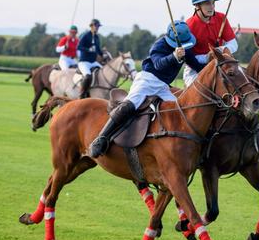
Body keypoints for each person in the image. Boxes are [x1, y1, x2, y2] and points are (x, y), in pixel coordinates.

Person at [88, 21, 206, 158]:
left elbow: (196, 66)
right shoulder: (159, 45)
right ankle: (101, 138)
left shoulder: (184, 47)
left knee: (181, 110)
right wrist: (174, 56)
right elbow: (158, 64)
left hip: (163, 86)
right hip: (147, 80)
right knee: (129, 105)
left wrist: (214, 65)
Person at [183, 0, 238, 87]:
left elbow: (234, 44)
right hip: (195, 69)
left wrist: (219, 51)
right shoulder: (189, 26)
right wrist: (207, 57)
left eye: (213, 3)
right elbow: (188, 57)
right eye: (207, 3)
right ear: (197, 6)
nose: (212, 6)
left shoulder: (222, 18)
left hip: (221, 65)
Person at [77, 19, 104, 98]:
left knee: (104, 72)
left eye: (98, 26)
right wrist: (88, 49)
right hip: (84, 62)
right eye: (96, 26)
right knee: (88, 76)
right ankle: (82, 94)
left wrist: (103, 54)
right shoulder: (86, 35)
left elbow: (98, 49)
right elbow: (79, 47)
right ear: (91, 26)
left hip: (93, 61)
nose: (97, 27)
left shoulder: (96, 37)